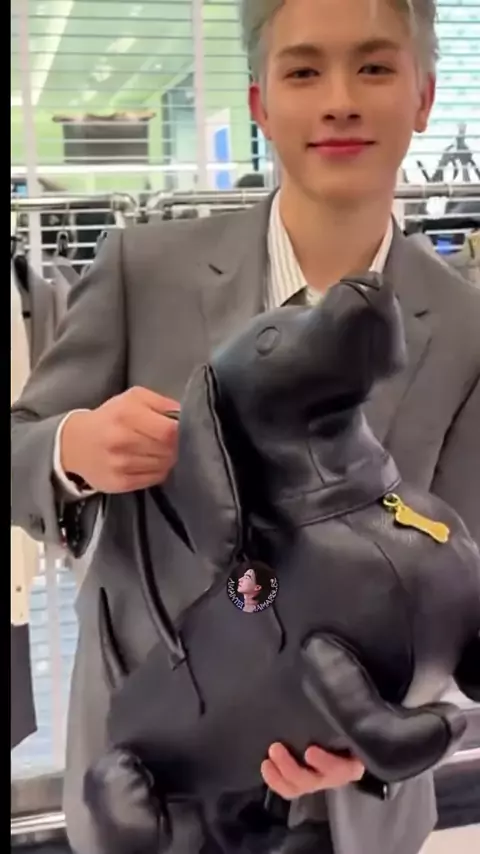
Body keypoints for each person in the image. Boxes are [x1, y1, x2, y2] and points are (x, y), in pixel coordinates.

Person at [10, 1, 480, 853]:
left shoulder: (466, 332)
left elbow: (467, 584)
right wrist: (73, 447)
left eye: (375, 67)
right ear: (261, 101)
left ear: (423, 97)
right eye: (304, 71)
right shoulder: (143, 272)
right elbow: (19, 451)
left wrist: (385, 741)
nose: (339, 101)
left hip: (347, 816)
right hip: (146, 781)